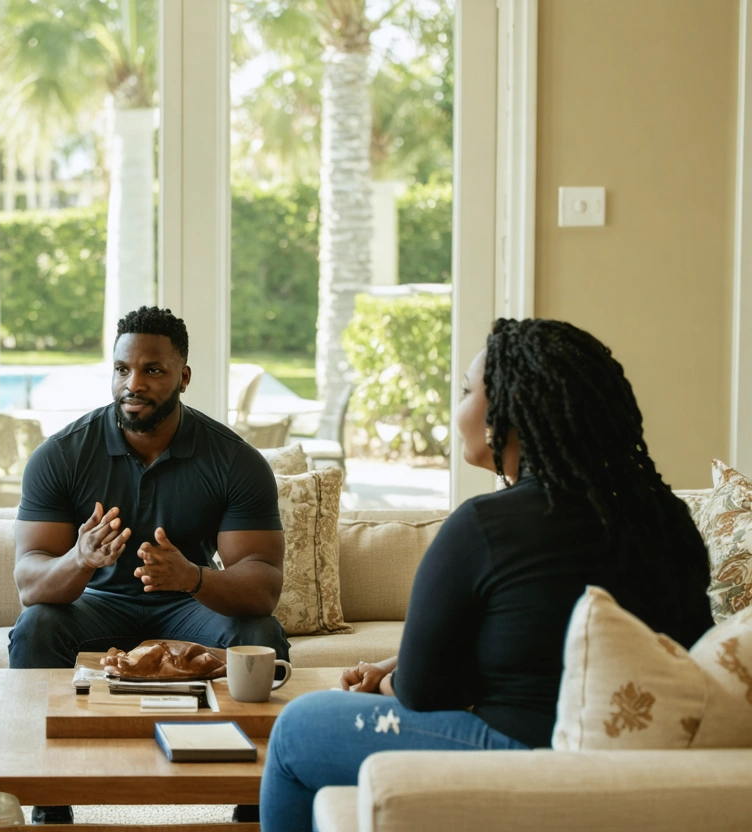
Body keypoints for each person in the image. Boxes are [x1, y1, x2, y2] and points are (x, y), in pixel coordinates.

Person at [259, 317, 714, 831]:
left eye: (466, 392)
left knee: (299, 728)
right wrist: (394, 663)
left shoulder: (484, 526)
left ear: (503, 416)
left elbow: (425, 693)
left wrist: (391, 682)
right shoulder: (666, 518)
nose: (459, 408)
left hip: (521, 756)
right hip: (645, 764)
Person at [10, 306, 288, 824]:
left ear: (183, 376)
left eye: (152, 370)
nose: (132, 383)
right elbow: (30, 581)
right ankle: (50, 804)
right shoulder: (63, 454)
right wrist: (80, 557)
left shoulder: (233, 459)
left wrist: (193, 577)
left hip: (188, 606)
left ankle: (253, 806)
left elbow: (264, 584)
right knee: (36, 626)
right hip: (99, 606)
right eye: (122, 369)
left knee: (259, 632)